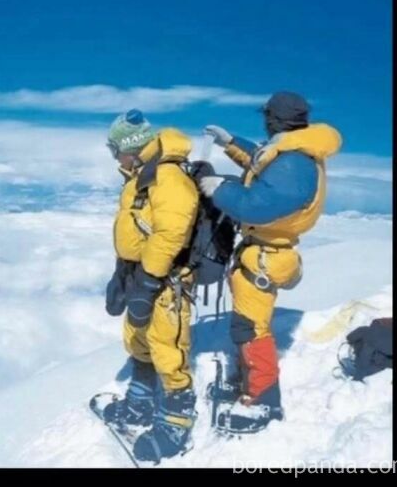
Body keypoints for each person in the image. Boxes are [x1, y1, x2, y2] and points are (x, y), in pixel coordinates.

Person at [198, 92, 342, 433]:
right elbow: (261, 162)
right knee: (248, 325)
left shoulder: (295, 163)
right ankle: (250, 380)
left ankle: (263, 399)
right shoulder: (292, 150)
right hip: (265, 251)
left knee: (252, 329)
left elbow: (258, 204)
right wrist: (231, 143)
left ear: (273, 119)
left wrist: (219, 189)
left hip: (266, 255)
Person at [103, 109, 199, 461]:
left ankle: (177, 420)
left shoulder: (167, 177)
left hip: (166, 280)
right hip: (139, 274)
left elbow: (171, 233)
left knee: (167, 346)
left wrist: (147, 281)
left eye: (115, 149)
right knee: (138, 339)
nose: (114, 157)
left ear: (130, 147)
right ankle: (141, 402)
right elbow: (136, 228)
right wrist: (122, 272)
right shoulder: (140, 175)